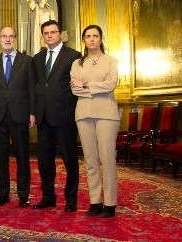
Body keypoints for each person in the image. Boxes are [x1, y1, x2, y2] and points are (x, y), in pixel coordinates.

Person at [70, 25, 120, 218]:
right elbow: (74, 90)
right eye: (88, 36)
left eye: (95, 36)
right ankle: (95, 201)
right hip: (84, 114)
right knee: (90, 160)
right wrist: (93, 87)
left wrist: (85, 85)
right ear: (84, 40)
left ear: (101, 39)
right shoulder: (77, 64)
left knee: (107, 159)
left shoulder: (110, 61)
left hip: (107, 113)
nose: (91, 39)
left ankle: (110, 203)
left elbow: (111, 85)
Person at [32, 20, 82, 212]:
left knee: (70, 160)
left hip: (65, 116)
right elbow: (38, 86)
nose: (50, 35)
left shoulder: (74, 56)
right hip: (43, 117)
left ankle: (71, 199)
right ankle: (48, 197)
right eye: (46, 33)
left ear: (60, 34)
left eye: (53, 32)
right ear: (43, 36)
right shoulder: (37, 58)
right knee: (44, 160)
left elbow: (76, 85)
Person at [0, 27, 36, 208]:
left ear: (15, 39)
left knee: (22, 157)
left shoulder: (27, 61)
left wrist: (32, 113)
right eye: (4, 36)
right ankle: (3, 194)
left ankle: (23, 195)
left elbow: (32, 88)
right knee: (1, 158)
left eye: (10, 36)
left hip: (20, 115)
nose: (7, 39)